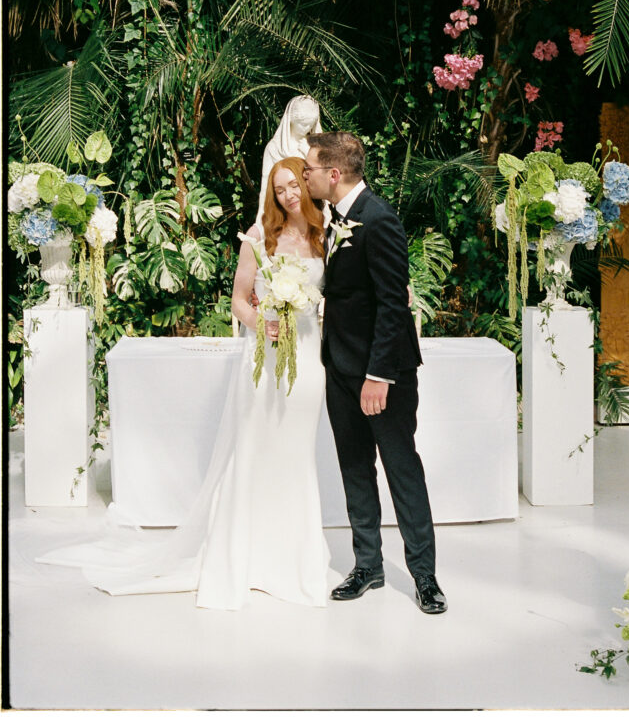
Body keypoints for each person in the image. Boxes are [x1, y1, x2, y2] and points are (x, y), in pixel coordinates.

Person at [37, 157, 329, 610]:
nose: (288, 194)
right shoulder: (257, 238)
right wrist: (264, 324)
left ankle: (294, 558)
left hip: (308, 361)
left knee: (295, 455)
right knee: (254, 452)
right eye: (279, 189)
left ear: (307, 184)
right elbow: (238, 300)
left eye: (293, 185)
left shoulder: (325, 236)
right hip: (264, 361)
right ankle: (243, 557)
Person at [304, 131, 447, 614]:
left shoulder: (379, 219)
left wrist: (378, 376)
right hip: (339, 366)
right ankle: (368, 565)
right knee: (354, 467)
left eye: (311, 169)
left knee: (401, 466)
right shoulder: (332, 221)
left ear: (334, 173)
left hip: (382, 373)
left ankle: (425, 576)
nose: (306, 176)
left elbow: (393, 305)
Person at [257, 96, 322, 219]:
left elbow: (323, 179)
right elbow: (266, 188)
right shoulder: (275, 148)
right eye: (302, 124)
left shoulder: (314, 147)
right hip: (283, 212)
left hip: (313, 211)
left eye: (310, 124)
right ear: (290, 119)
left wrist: (309, 154)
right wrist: (261, 221)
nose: (306, 128)